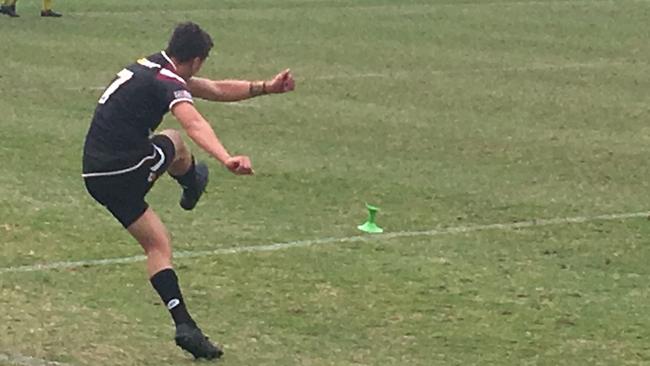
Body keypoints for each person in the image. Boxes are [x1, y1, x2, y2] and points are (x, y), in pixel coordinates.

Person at [82, 22, 295, 360]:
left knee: (158, 244)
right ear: (196, 60)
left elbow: (214, 89)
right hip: (123, 168)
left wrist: (266, 87)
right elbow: (193, 121)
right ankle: (191, 182)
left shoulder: (150, 65)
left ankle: (185, 326)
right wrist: (226, 158)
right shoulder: (166, 80)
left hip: (94, 174)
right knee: (176, 141)